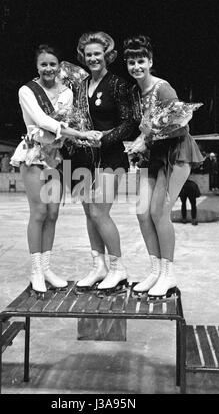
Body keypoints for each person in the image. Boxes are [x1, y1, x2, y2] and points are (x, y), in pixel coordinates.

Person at [10, 44, 102, 296]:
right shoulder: (27, 91)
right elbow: (42, 122)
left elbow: (65, 120)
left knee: (52, 213)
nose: (48, 68)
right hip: (34, 153)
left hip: (56, 156)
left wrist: (72, 136)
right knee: (38, 212)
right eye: (44, 64)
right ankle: (36, 271)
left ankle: (47, 269)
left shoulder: (67, 93)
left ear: (59, 66)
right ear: (37, 66)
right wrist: (78, 133)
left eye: (53, 64)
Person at [124, 35, 204, 297]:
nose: (137, 66)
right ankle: (155, 270)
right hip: (153, 158)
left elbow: (182, 124)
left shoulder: (163, 88)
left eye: (141, 61)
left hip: (176, 154)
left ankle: (168, 274)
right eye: (132, 62)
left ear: (150, 62)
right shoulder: (136, 92)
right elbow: (143, 128)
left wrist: (150, 135)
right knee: (142, 212)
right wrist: (140, 141)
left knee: (159, 212)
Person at [73, 31, 135, 293]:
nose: (93, 58)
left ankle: (118, 269)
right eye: (88, 55)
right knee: (89, 213)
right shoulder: (79, 86)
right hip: (84, 157)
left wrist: (106, 138)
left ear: (107, 55)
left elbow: (130, 121)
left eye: (98, 53)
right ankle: (98, 266)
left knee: (100, 211)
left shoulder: (118, 84)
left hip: (111, 156)